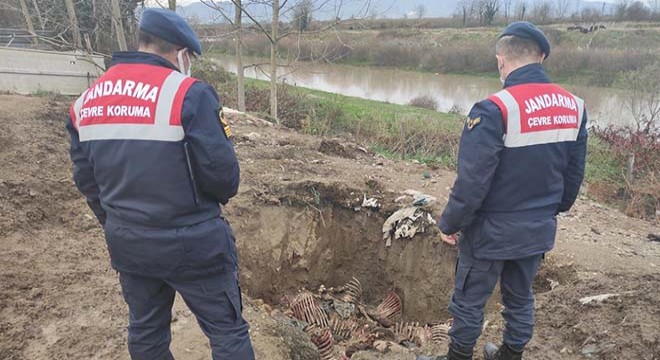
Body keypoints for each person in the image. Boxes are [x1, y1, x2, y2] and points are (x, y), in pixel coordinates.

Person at [66, 8, 255, 360]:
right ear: (182, 53)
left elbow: (86, 180)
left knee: (146, 330)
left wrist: (117, 222)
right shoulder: (188, 93)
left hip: (128, 242)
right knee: (227, 332)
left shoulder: (86, 101)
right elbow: (224, 179)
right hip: (193, 243)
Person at [418, 22, 588, 360]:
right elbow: (573, 177)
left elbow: (472, 182)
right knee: (520, 296)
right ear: (540, 57)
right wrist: (549, 211)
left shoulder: (495, 109)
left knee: (468, 299)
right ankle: (510, 354)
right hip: (537, 227)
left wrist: (450, 223)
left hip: (490, 231)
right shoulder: (575, 107)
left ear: (501, 61)